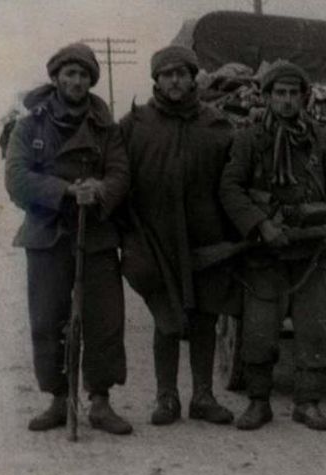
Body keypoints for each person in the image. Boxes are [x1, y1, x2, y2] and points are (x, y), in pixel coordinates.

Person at [220, 61, 326, 431]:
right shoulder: (250, 139)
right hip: (266, 252)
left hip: (311, 253)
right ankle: (259, 401)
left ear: (305, 97)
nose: (287, 101)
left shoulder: (322, 138)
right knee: (260, 329)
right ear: (266, 96)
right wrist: (260, 225)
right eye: (279, 93)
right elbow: (230, 188)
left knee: (313, 328)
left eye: (294, 93)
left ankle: (307, 403)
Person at [4, 43, 132, 435]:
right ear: (57, 77)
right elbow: (17, 177)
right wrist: (64, 190)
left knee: (105, 319)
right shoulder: (31, 125)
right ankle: (58, 399)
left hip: (94, 235)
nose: (76, 81)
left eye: (83, 75)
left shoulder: (105, 128)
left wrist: (99, 188)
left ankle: (101, 401)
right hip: (47, 235)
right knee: (47, 319)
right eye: (70, 74)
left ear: (91, 81)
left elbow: (121, 173)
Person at [119, 45, 238, 426]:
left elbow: (233, 182)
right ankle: (166, 397)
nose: (174, 80)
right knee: (166, 316)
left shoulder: (217, 126)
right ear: (156, 79)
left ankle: (202, 396)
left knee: (205, 315)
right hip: (155, 237)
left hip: (206, 237)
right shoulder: (135, 124)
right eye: (167, 74)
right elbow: (118, 176)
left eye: (181, 73)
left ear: (193, 78)